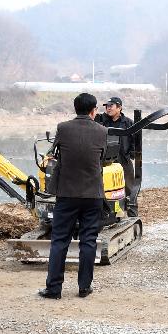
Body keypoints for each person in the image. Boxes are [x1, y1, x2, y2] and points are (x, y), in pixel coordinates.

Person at [39, 93, 108, 299]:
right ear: (93, 110)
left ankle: (54, 289)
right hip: (92, 194)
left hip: (67, 193)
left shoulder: (63, 128)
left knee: (59, 241)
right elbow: (102, 156)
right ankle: (84, 287)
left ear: (75, 108)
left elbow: (55, 152)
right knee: (88, 241)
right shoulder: (102, 131)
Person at [95, 96, 138, 217]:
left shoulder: (128, 122)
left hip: (123, 160)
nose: (108, 109)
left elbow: (135, 139)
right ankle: (110, 214)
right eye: (107, 106)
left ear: (119, 107)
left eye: (111, 106)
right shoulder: (100, 120)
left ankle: (132, 215)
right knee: (106, 188)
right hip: (104, 160)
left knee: (129, 188)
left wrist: (131, 153)